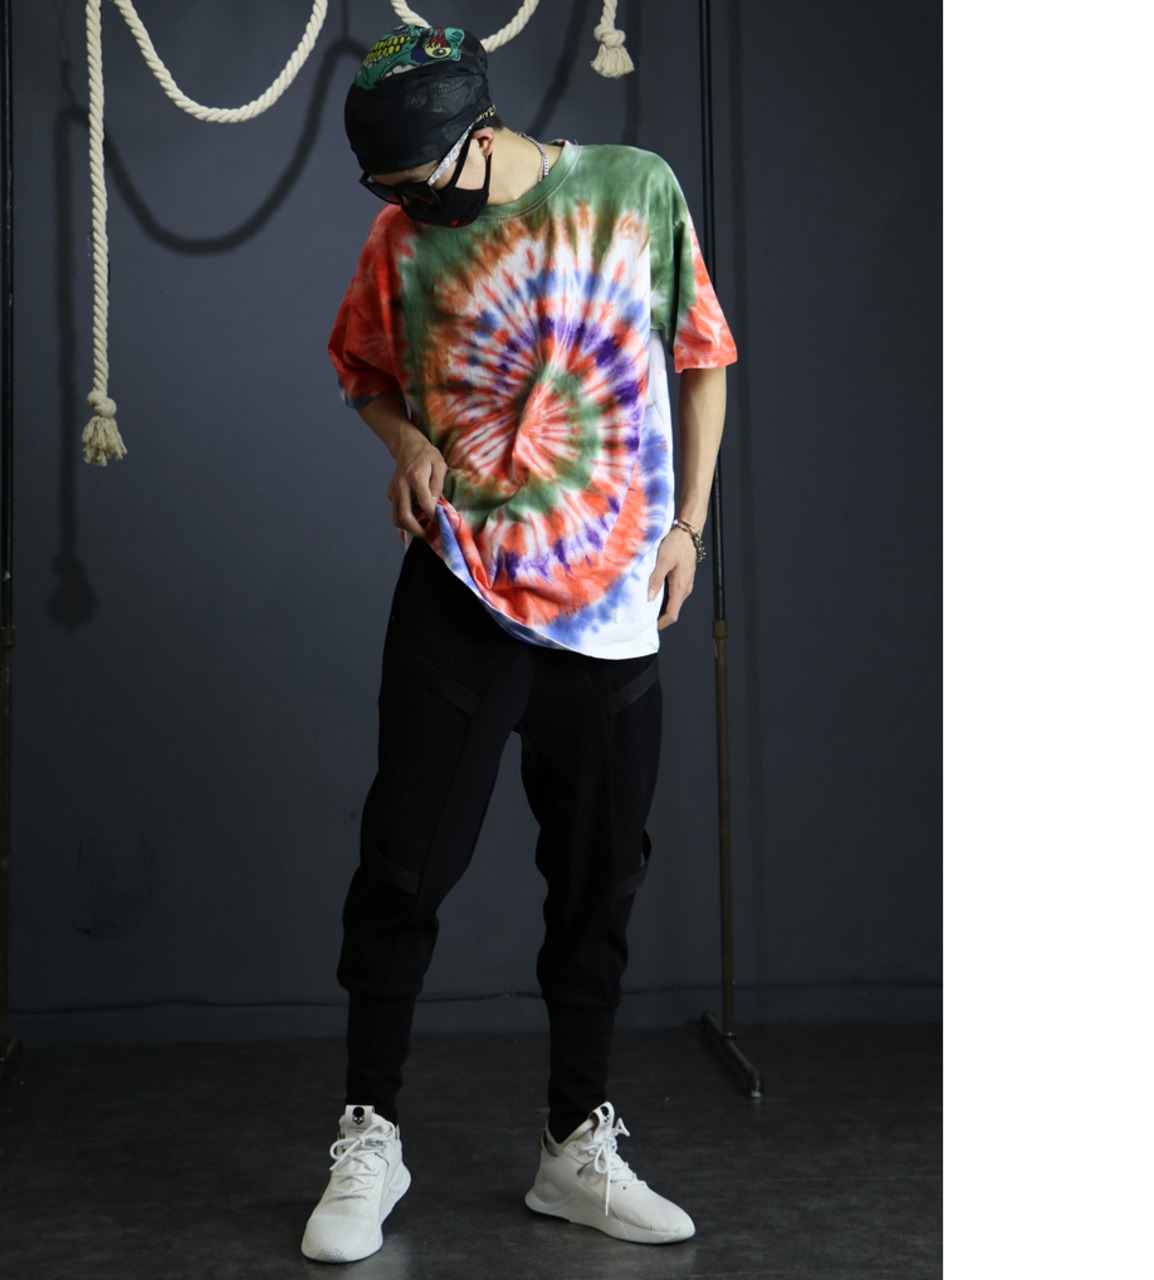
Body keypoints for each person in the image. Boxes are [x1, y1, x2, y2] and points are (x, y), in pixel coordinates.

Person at [301, 24, 737, 1264]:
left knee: (598, 883)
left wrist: (689, 528)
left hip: (612, 606)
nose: (405, 206)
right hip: (461, 585)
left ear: (482, 140)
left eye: (419, 182)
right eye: (385, 188)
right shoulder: (399, 239)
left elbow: (703, 359)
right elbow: (362, 369)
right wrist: (408, 446)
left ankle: (573, 1144)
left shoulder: (634, 190)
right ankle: (369, 1135)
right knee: (401, 870)